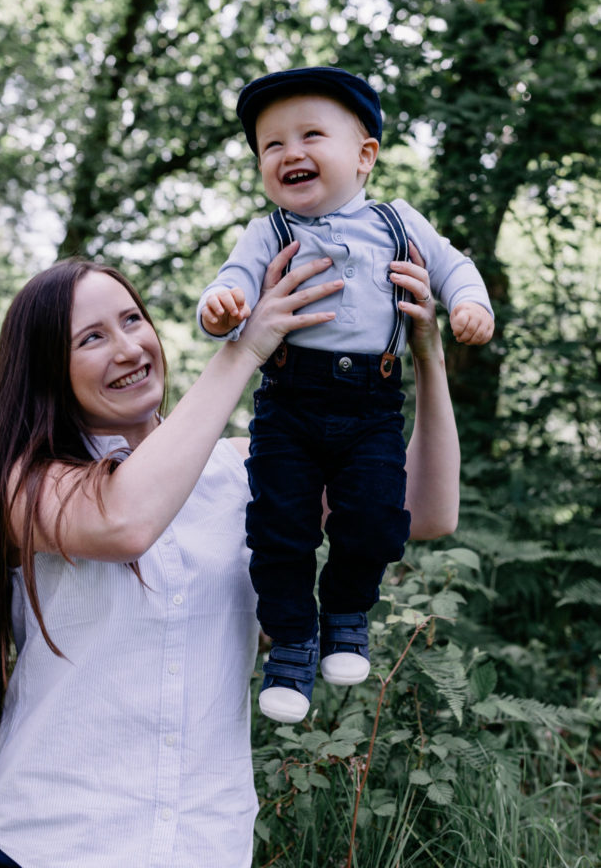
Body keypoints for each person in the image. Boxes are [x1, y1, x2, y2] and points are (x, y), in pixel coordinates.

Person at [0, 241, 457, 868]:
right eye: (90, 338)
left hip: (199, 846)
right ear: (46, 370)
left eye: (131, 320)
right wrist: (245, 350)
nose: (127, 348)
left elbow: (425, 511)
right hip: (35, 845)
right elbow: (126, 522)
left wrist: (426, 354)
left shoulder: (241, 469)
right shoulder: (27, 484)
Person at [197, 66, 494, 725]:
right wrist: (221, 309)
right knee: (277, 528)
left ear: (363, 157)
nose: (289, 153)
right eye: (271, 145)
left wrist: (468, 304)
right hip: (287, 404)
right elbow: (232, 284)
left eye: (309, 135)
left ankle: (345, 611)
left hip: (371, 406)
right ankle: (291, 643)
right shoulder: (268, 232)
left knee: (374, 516)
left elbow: (453, 267)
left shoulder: (397, 222)